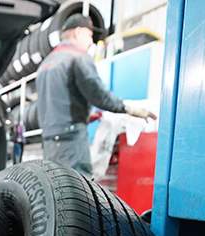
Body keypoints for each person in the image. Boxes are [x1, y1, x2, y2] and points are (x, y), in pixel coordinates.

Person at [36, 14, 156, 175]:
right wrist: (129, 109)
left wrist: (88, 116)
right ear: (78, 32)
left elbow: (57, 104)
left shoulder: (45, 64)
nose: (91, 42)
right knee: (79, 186)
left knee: (55, 184)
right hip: (71, 142)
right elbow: (98, 94)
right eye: (89, 35)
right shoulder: (78, 57)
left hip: (49, 142)